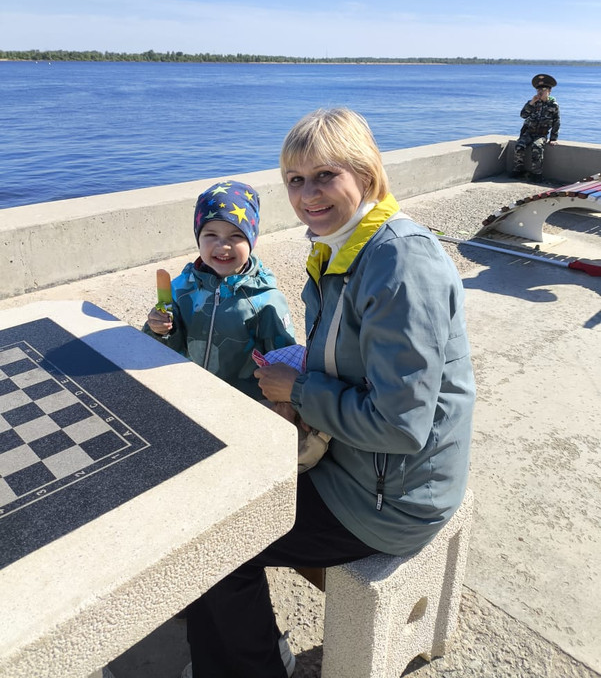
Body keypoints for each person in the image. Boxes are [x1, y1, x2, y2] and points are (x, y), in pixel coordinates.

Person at [182, 108, 475, 678]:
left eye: (325, 176)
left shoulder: (399, 263)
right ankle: (235, 647)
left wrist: (301, 389)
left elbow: (402, 425)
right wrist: (300, 383)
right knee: (211, 490)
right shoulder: (343, 247)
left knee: (214, 545)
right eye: (295, 180)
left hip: (390, 498)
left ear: (365, 174)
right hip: (358, 466)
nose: (307, 194)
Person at [144, 180, 295, 402]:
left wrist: (283, 403)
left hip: (242, 401)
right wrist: (159, 329)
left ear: (251, 240)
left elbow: (283, 362)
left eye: (236, 236)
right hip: (188, 392)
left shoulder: (266, 300)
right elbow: (164, 344)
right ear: (198, 238)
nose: (223, 246)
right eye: (211, 235)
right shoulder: (181, 288)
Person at [510, 73, 560, 181]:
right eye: (538, 90)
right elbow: (523, 115)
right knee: (519, 146)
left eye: (543, 89)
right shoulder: (532, 103)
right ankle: (518, 170)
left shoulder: (553, 105)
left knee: (537, 147)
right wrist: (532, 103)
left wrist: (553, 138)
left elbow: (556, 122)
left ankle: (537, 174)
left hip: (541, 134)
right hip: (529, 132)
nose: (540, 92)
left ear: (549, 91)